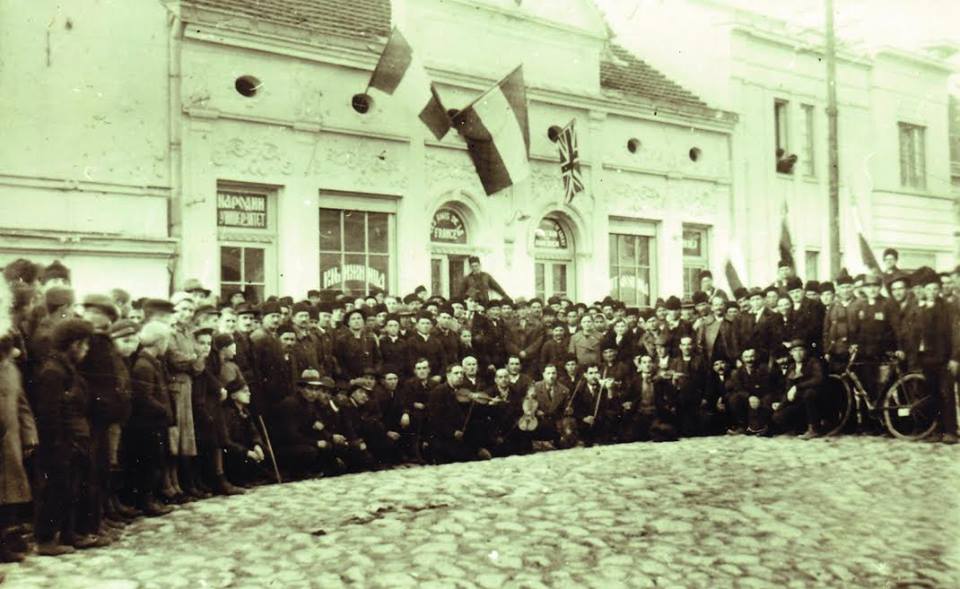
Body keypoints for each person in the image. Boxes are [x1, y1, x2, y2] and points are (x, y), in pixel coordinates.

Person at [34, 319, 100, 554]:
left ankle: (69, 534)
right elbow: (49, 414)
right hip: (62, 443)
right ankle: (46, 540)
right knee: (56, 490)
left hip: (74, 440)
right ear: (73, 344)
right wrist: (60, 445)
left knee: (72, 489)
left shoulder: (66, 368)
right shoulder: (53, 371)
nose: (86, 349)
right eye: (84, 344)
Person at [125, 322, 175, 518]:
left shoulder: (151, 362)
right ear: (159, 341)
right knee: (150, 463)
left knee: (155, 462)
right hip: (149, 424)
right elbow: (144, 398)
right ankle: (147, 502)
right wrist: (164, 410)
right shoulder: (144, 365)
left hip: (154, 422)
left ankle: (150, 499)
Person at [905, 268, 955, 444]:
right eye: (929, 289)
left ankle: (951, 431)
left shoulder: (948, 308)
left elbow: (956, 334)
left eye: (935, 289)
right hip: (926, 358)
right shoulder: (921, 309)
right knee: (932, 395)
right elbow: (914, 334)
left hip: (943, 358)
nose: (932, 292)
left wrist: (955, 358)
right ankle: (936, 430)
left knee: (946, 394)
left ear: (939, 290)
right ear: (923, 290)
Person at [0, 333, 38, 562]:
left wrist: (29, 435)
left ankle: (8, 538)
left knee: (10, 491)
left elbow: (22, 404)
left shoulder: (12, 370)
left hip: (10, 440)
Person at [772, 339, 825, 439]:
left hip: (816, 401)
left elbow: (818, 379)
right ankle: (800, 426)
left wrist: (797, 387)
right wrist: (781, 405)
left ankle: (814, 428)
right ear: (791, 353)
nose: (798, 353)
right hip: (800, 402)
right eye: (795, 351)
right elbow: (788, 390)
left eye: (801, 350)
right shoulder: (792, 367)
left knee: (809, 394)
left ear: (806, 352)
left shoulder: (813, 362)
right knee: (778, 416)